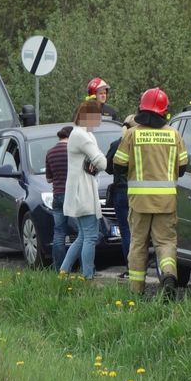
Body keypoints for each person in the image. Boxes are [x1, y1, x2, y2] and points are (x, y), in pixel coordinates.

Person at [113, 88, 188, 298]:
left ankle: (136, 292)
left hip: (139, 203)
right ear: (164, 111)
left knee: (138, 244)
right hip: (166, 203)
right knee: (165, 243)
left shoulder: (131, 134)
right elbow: (183, 167)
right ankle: (169, 276)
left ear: (141, 109)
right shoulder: (174, 134)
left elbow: (118, 165)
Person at [58, 101, 107, 279]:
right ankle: (88, 276)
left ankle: (64, 271)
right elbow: (102, 162)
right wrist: (100, 160)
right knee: (91, 237)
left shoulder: (79, 134)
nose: (100, 119)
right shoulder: (82, 136)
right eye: (98, 115)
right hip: (83, 192)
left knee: (82, 236)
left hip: (79, 191)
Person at [105, 116, 136, 273]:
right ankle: (140, 265)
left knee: (125, 230)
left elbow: (108, 167)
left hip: (122, 192)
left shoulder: (117, 144)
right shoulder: (141, 143)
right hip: (139, 192)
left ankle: (130, 267)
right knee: (139, 231)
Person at [44, 125, 73, 270]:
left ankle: (60, 268)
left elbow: (49, 179)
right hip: (73, 195)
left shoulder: (50, 152)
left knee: (59, 233)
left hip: (58, 195)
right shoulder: (74, 151)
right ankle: (82, 266)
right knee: (81, 232)